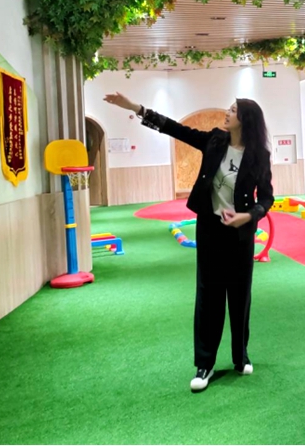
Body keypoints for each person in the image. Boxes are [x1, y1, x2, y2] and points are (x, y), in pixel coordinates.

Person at [103, 93, 273, 392]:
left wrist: (248, 216)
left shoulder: (259, 155)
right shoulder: (215, 140)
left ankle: (240, 355)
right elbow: (175, 129)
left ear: (246, 120)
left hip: (240, 234)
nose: (227, 112)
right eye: (229, 108)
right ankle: (204, 363)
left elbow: (267, 197)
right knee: (209, 295)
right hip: (210, 228)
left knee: (239, 295)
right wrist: (135, 108)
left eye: (233, 110)